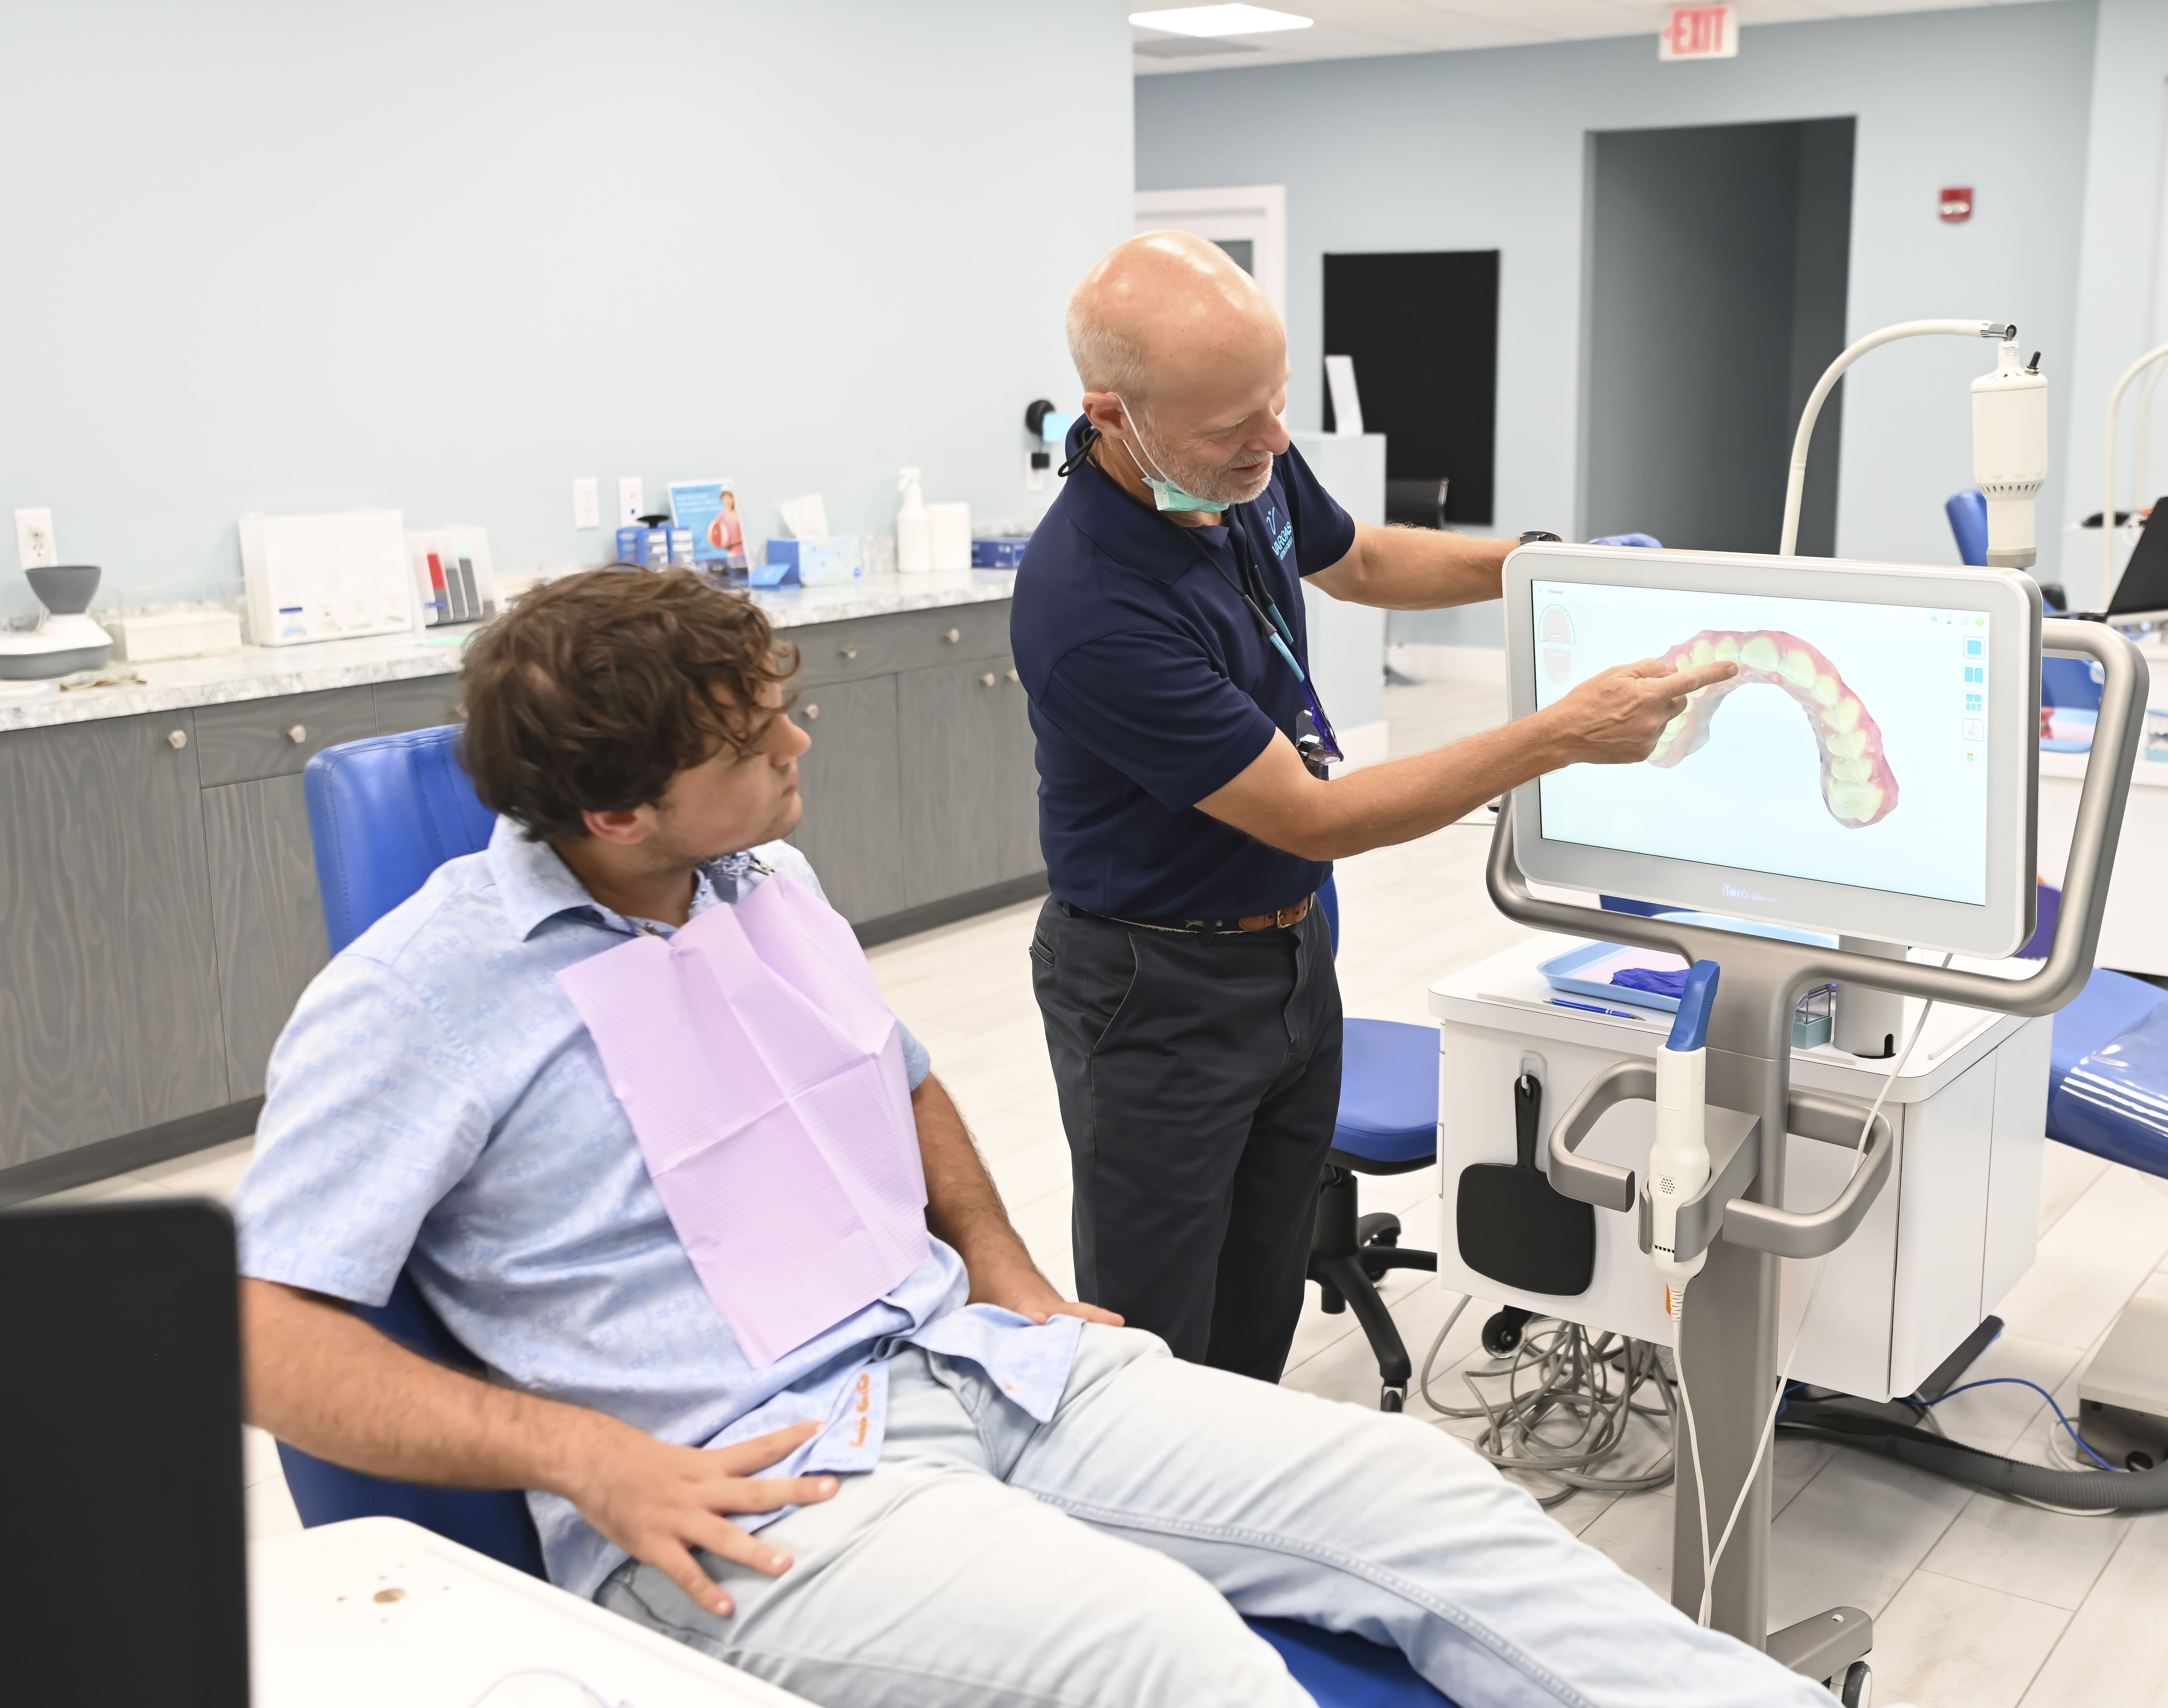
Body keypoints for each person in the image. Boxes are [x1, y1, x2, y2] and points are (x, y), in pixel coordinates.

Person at [233, 569, 1818, 1708]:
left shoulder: (759, 887)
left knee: (1424, 1497)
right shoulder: (424, 994)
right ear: (617, 814)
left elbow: (901, 1075)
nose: (800, 754)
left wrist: (1004, 1265)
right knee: (1172, 1658)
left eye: (786, 716)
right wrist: (588, 1457)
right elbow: (257, 1331)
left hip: (978, 1365)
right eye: (754, 749)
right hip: (757, 1482)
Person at [1014, 231, 1734, 1378]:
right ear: (1112, 415)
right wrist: (1562, 735)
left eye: (1276, 403)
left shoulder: (1232, 462)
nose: (1270, 443)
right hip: (1157, 992)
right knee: (1158, 1344)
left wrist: (1546, 565)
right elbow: (1317, 816)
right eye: (1230, 426)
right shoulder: (1094, 603)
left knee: (1260, 1301)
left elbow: (1359, 563)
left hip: (1294, 951)